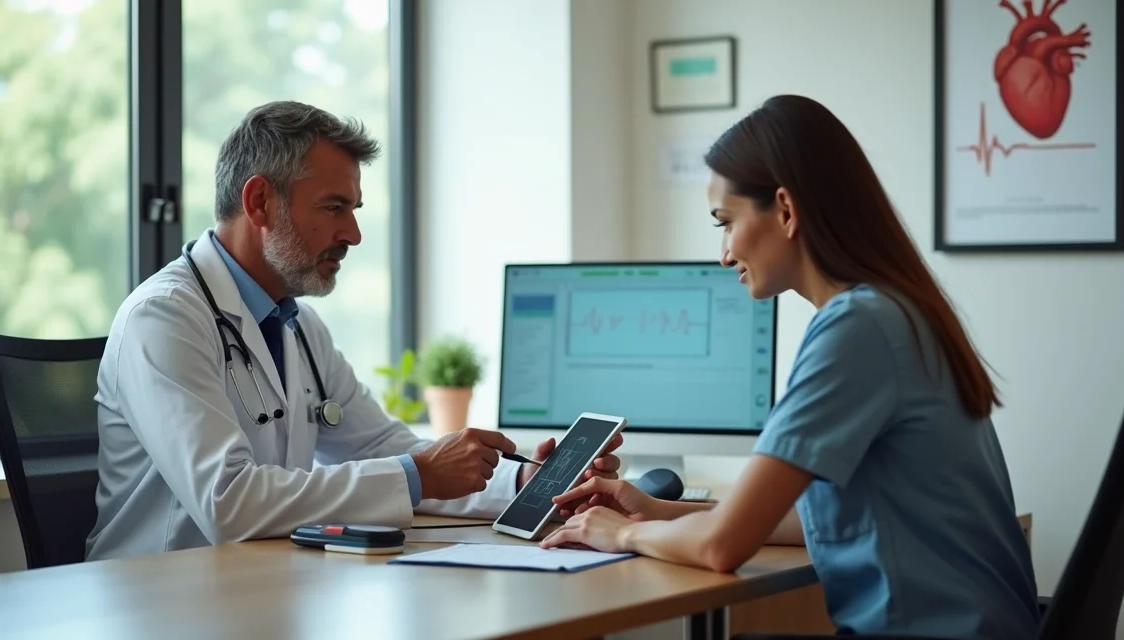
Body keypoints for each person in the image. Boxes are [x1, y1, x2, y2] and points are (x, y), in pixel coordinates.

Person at [538, 95, 1040, 639]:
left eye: (726, 223)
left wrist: (622, 536)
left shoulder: (858, 328)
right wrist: (654, 512)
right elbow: (822, 521)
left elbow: (721, 547)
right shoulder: (897, 310)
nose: (724, 254)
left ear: (784, 209)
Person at [86, 100, 621, 561]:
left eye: (354, 209)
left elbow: (381, 447)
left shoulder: (297, 325)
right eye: (334, 208)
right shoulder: (164, 318)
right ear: (258, 203)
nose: (354, 233)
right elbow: (229, 502)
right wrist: (415, 473)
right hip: (160, 601)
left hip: (261, 587)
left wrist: (526, 485)